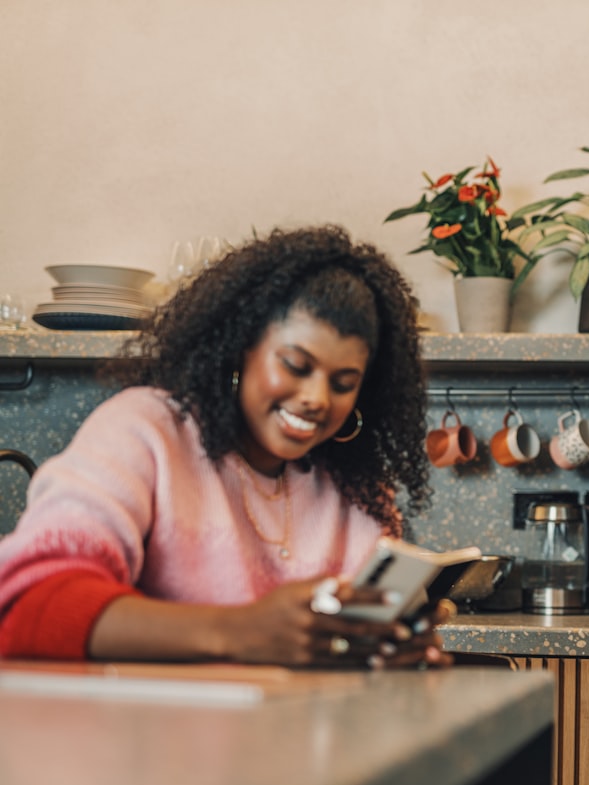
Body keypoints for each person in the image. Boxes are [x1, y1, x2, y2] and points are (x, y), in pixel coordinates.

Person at [0, 225, 455, 668]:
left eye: (343, 383)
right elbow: (26, 603)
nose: (316, 398)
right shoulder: (147, 429)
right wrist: (242, 632)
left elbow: (337, 653)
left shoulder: (353, 489)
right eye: (296, 365)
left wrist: (390, 646)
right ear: (241, 348)